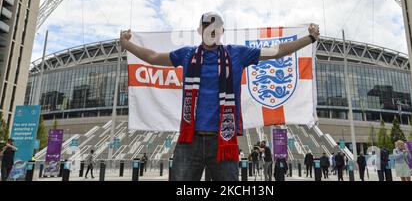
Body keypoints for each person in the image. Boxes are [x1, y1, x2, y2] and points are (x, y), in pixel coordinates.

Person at [121, 12, 320, 181]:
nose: (211, 30)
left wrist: (309, 39)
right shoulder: (187, 54)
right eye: (207, 26)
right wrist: (125, 44)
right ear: (200, 30)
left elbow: (277, 52)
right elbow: (153, 57)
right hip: (189, 142)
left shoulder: (237, 54)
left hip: (223, 142)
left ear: (222, 31)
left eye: (216, 26)